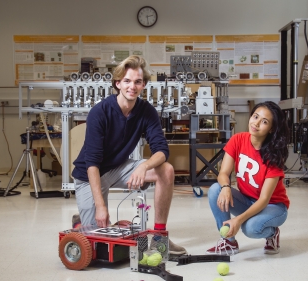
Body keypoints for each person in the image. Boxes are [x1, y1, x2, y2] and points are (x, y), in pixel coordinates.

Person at [71, 55, 187, 255]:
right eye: (127, 81)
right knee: (97, 248)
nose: (132, 86)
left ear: (143, 85)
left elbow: (162, 150)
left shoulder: (146, 111)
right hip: (89, 176)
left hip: (118, 168)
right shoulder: (100, 112)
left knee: (165, 170)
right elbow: (92, 164)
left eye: (137, 82)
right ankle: (81, 221)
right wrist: (100, 206)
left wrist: (144, 166)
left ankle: (160, 238)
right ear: (118, 83)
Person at [206, 101, 290, 255]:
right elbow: (223, 173)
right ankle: (228, 242)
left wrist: (238, 220)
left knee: (250, 228)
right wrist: (225, 188)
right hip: (248, 200)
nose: (256, 123)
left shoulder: (274, 156)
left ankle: (272, 234)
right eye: (255, 116)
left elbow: (264, 200)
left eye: (264, 121)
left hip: (274, 207)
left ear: (271, 129)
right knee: (215, 190)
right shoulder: (238, 140)